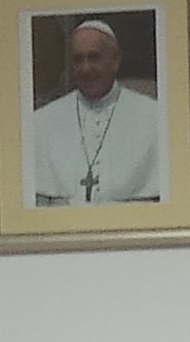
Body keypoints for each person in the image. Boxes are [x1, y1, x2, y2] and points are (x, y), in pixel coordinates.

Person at [22, 19, 168, 207]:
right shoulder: (40, 122)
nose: (86, 68)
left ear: (115, 60)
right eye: (78, 59)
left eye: (94, 57)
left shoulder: (155, 117)